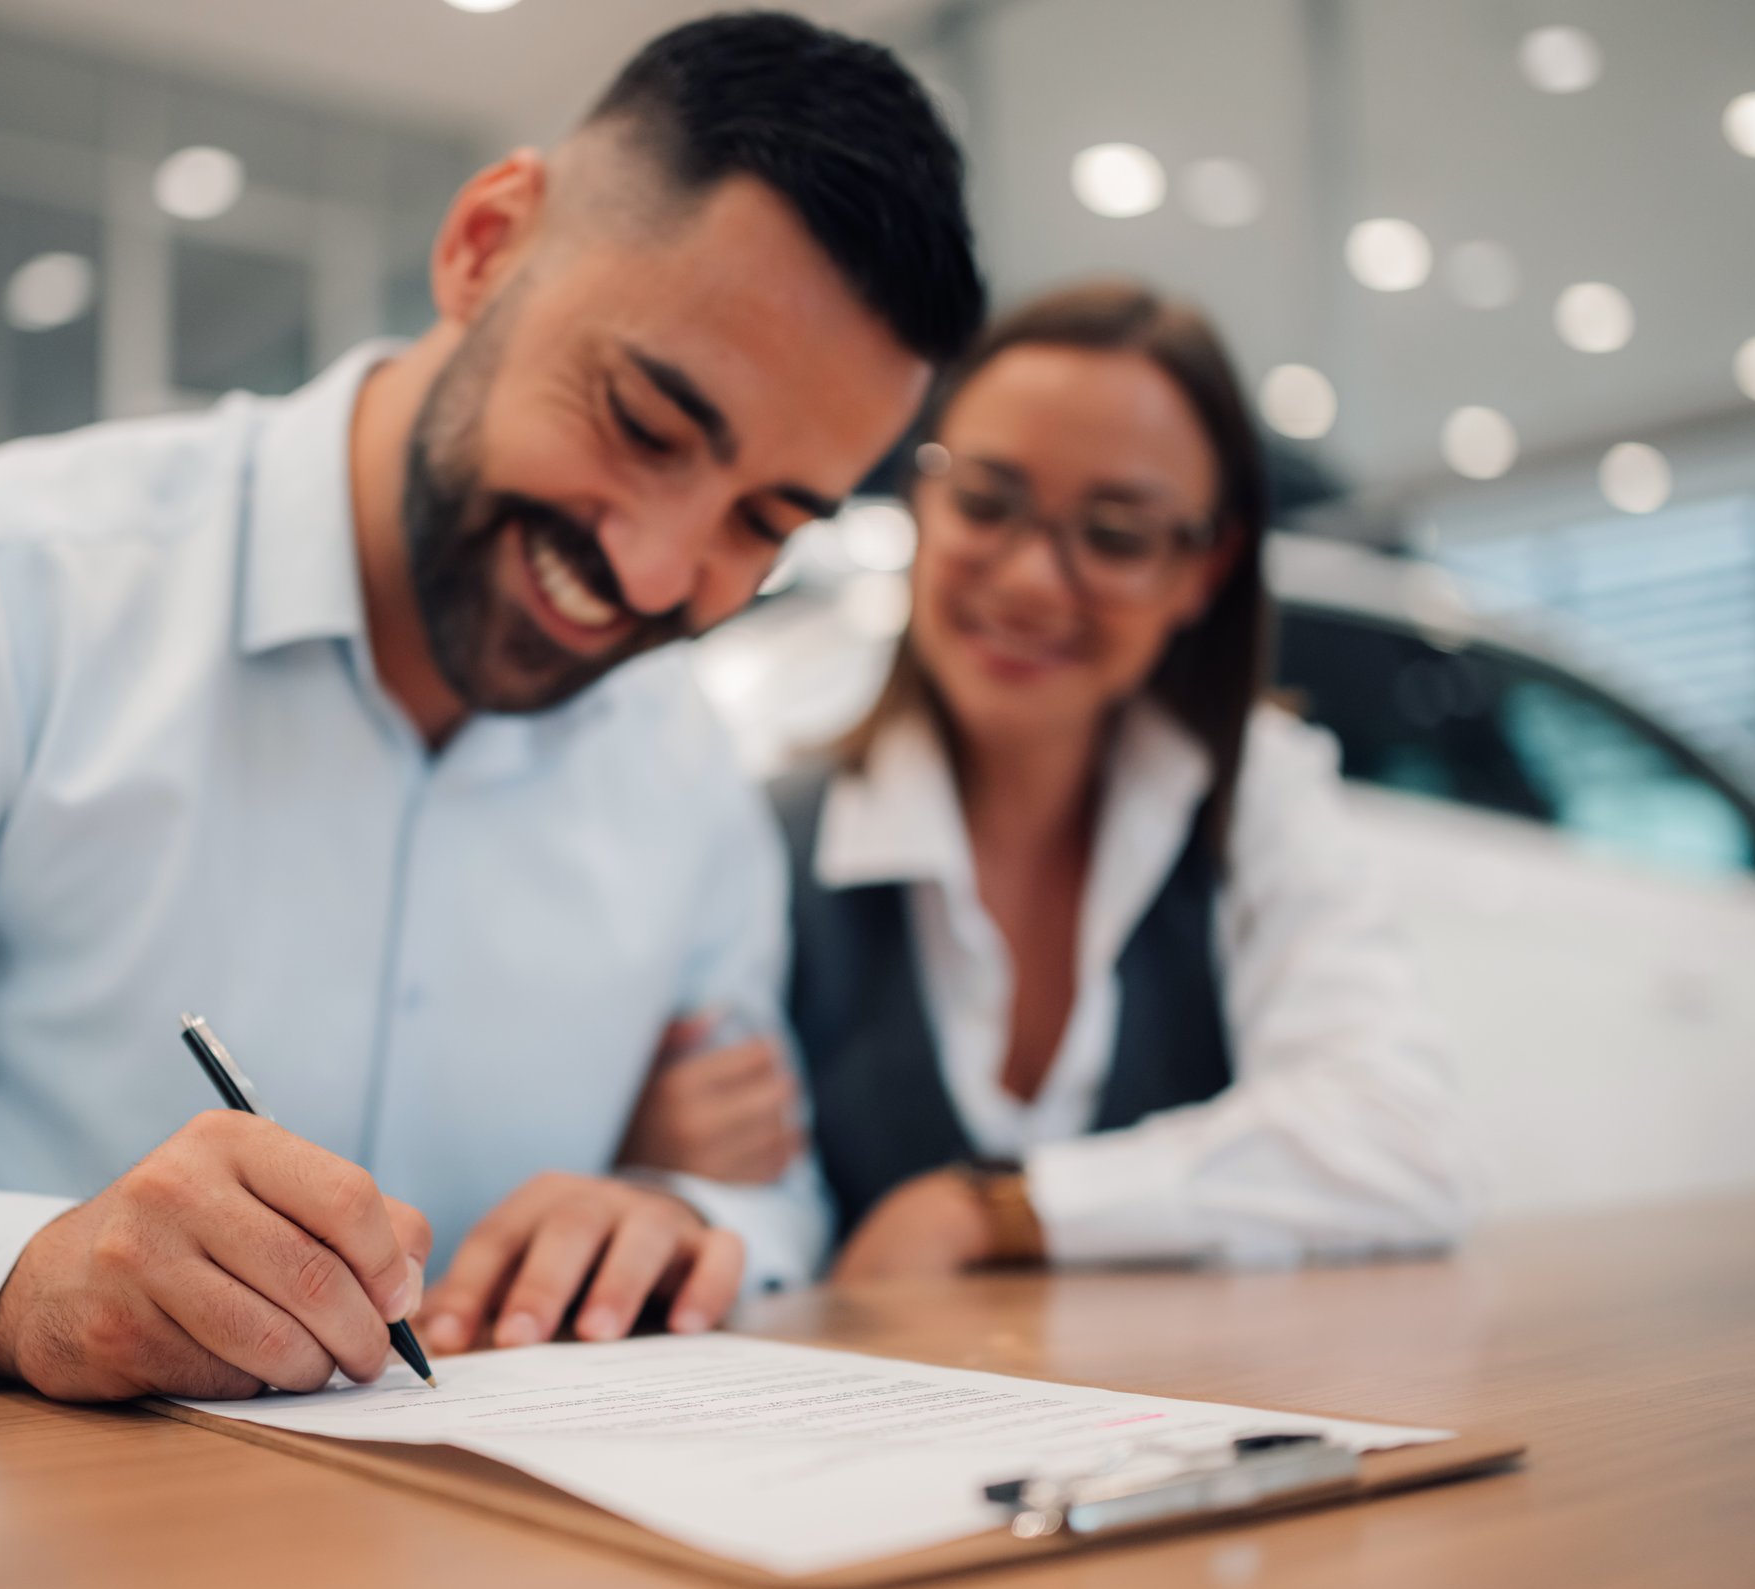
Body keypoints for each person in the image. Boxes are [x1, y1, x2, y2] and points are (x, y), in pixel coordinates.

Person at [0, 13, 984, 1399]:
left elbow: (775, 1201)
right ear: (487, 244)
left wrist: (676, 1218)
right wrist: (17, 1282)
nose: (657, 571)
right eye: (642, 422)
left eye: (765, 523)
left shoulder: (685, 763)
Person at [618, 280, 1474, 1278]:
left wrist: (996, 1211)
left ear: (1203, 568)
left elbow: (1406, 1139)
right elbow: (745, 1209)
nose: (1029, 579)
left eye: (1114, 535)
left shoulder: (1253, 795)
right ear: (922, 504)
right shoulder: (771, 831)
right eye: (986, 502)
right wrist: (660, 1173)